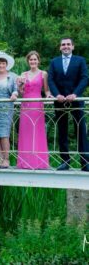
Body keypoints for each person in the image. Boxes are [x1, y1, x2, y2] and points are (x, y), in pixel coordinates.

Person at [48, 38, 89, 172]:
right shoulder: (54, 62)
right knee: (62, 130)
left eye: (68, 44)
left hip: (76, 100)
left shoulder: (80, 60)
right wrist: (57, 94)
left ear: (73, 46)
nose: (65, 46)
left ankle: (85, 162)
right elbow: (51, 80)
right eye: (63, 45)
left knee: (81, 131)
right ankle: (65, 161)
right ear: (60, 47)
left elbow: (85, 78)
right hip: (59, 101)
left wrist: (75, 94)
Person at [17, 51, 51, 169]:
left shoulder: (43, 74)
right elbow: (21, 92)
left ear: (38, 61)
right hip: (26, 104)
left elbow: (46, 90)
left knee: (37, 131)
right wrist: (20, 85)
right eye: (31, 60)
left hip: (37, 104)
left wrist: (49, 96)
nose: (33, 61)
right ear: (28, 61)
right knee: (26, 132)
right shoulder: (23, 74)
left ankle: (39, 162)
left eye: (35, 59)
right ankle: (25, 162)